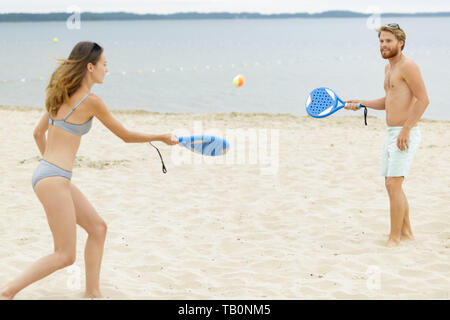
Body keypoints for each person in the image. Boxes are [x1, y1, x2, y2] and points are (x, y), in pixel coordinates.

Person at [0, 41, 180, 299]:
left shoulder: (58, 94)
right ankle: (6, 292)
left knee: (97, 228)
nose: (107, 69)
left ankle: (93, 293)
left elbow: (38, 133)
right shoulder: (91, 101)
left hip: (49, 175)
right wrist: (161, 136)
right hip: (53, 178)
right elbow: (126, 136)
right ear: (90, 67)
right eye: (104, 64)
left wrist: (50, 166)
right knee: (64, 255)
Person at [345, 24, 429, 247]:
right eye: (381, 41)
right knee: (391, 185)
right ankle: (406, 232)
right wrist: (360, 102)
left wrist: (407, 129)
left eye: (389, 41)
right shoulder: (389, 69)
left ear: (400, 43)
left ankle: (394, 239)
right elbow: (388, 102)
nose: (384, 45)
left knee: (394, 184)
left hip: (404, 133)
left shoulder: (408, 66)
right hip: (391, 133)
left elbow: (423, 100)